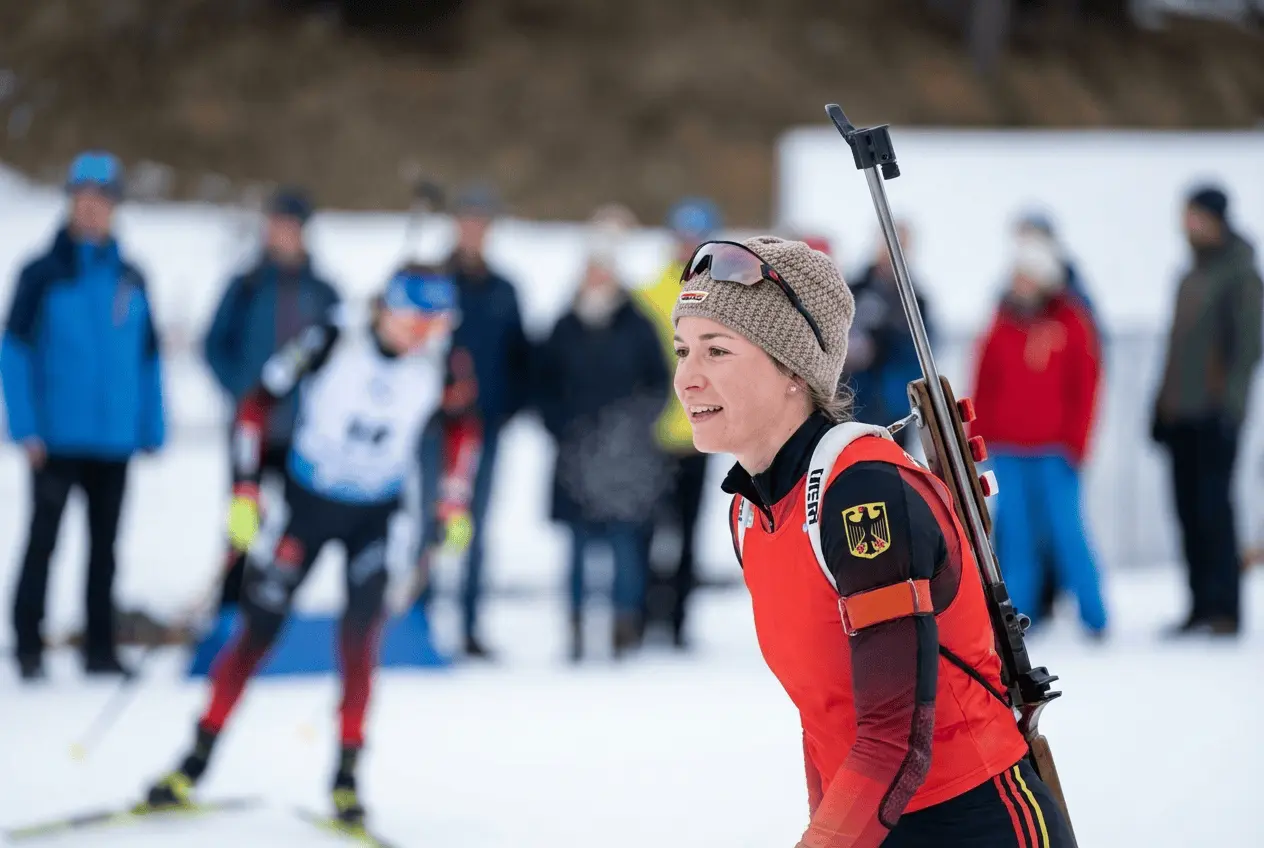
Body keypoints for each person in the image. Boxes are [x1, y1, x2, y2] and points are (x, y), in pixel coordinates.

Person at [672, 235, 1074, 847]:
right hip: (874, 820)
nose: (687, 379)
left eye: (717, 351)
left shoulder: (862, 492)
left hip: (974, 820)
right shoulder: (751, 511)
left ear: (792, 371)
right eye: (682, 351)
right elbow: (822, 713)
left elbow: (893, 732)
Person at [141, 266, 479, 831]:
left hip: (377, 512)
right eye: (415, 321)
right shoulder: (330, 338)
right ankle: (190, 766)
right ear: (385, 310)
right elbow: (254, 406)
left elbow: (464, 431)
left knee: (359, 640)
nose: (424, 335)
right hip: (308, 504)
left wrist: (453, 500)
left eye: (437, 324)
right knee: (258, 631)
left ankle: (346, 784)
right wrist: (246, 490)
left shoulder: (445, 362)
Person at [1, 151, 166, 681]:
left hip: (113, 438)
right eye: (83, 200)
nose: (92, 210)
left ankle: (100, 648)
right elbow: (14, 352)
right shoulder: (42, 273)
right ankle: (28, 645)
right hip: (56, 438)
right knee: (44, 542)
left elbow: (148, 357)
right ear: (71, 202)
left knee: (105, 550)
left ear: (115, 207)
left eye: (102, 201)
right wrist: (25, 426)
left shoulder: (132, 275)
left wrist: (151, 423)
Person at [536, 223, 670, 662]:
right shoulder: (564, 324)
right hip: (574, 453)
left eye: (604, 270)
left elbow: (659, 382)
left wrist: (631, 429)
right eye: (591, 269)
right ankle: (574, 627)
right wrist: (561, 427)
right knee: (576, 545)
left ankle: (624, 627)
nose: (597, 278)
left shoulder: (637, 324)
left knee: (624, 543)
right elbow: (543, 384)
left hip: (625, 458)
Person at [203, 188, 341, 612]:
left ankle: (276, 605)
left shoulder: (322, 291)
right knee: (243, 519)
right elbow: (213, 345)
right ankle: (228, 607)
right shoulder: (245, 285)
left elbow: (338, 354)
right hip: (252, 428)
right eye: (274, 223)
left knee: (298, 525)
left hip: (303, 430)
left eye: (289, 225)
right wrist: (242, 390)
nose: (280, 233)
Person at [970, 231, 1108, 638]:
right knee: (1015, 533)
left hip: (1054, 451)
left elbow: (1086, 388)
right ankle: (1020, 616)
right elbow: (985, 382)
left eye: (1028, 276)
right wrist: (979, 436)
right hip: (1008, 449)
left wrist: (1077, 444)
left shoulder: (1073, 322)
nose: (1020, 284)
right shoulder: (1000, 322)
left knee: (1068, 531)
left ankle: (1094, 615)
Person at [417, 182, 530, 659]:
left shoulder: (504, 289)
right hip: (434, 426)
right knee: (430, 522)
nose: (473, 231)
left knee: (475, 528)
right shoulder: (429, 280)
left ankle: (469, 626)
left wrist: (507, 409)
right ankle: (416, 622)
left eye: (481, 224)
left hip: (485, 426)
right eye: (466, 221)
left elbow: (520, 357)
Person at [1152, 185, 1262, 638]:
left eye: (1194, 216)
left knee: (1215, 511)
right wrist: (1160, 407)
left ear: (1214, 219)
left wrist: (1229, 410)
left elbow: (1247, 349)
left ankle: (1226, 609)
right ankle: (1198, 605)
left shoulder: (1239, 275)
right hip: (1182, 416)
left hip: (1215, 416)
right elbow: (1176, 351)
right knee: (1187, 511)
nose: (1186, 224)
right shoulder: (1189, 275)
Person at [630, 196, 723, 648]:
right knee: (649, 533)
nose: (687, 245)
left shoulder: (723, 298)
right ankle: (646, 616)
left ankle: (680, 623)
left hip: (699, 435)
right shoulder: (648, 293)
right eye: (682, 236)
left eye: (695, 238)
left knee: (688, 534)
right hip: (653, 437)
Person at [839, 222, 934, 449]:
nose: (892, 252)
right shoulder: (855, 288)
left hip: (896, 409)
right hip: (855, 401)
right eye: (888, 243)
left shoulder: (916, 300)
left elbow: (921, 356)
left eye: (900, 245)